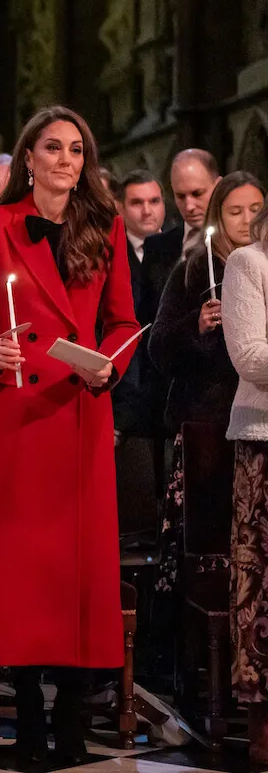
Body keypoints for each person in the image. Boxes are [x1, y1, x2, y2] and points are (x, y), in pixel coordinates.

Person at [0, 105, 140, 766]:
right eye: (52, 148)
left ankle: (72, 716)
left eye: (76, 150)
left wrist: (111, 363)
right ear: (28, 157)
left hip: (81, 413)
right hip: (19, 416)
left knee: (77, 570)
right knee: (20, 570)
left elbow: (121, 322)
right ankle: (27, 713)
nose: (65, 159)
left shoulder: (105, 226)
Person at [148, 172, 263, 625]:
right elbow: (158, 349)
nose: (247, 220)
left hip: (257, 416)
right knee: (203, 542)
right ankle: (190, 649)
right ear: (219, 215)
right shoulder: (197, 268)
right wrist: (195, 325)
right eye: (235, 212)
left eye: (255, 210)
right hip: (206, 425)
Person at [219, 204, 268, 765]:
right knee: (260, 590)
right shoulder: (249, 264)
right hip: (263, 441)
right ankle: (262, 722)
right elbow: (251, 355)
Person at [111, 170, 174, 576]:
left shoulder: (175, 250)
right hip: (126, 395)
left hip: (167, 392)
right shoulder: (112, 250)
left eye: (154, 201)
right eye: (137, 202)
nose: (147, 210)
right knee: (132, 516)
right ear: (121, 207)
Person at [148, 148, 222, 260]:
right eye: (180, 196)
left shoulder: (244, 235)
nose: (189, 207)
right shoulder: (156, 248)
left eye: (197, 194)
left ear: (218, 186)